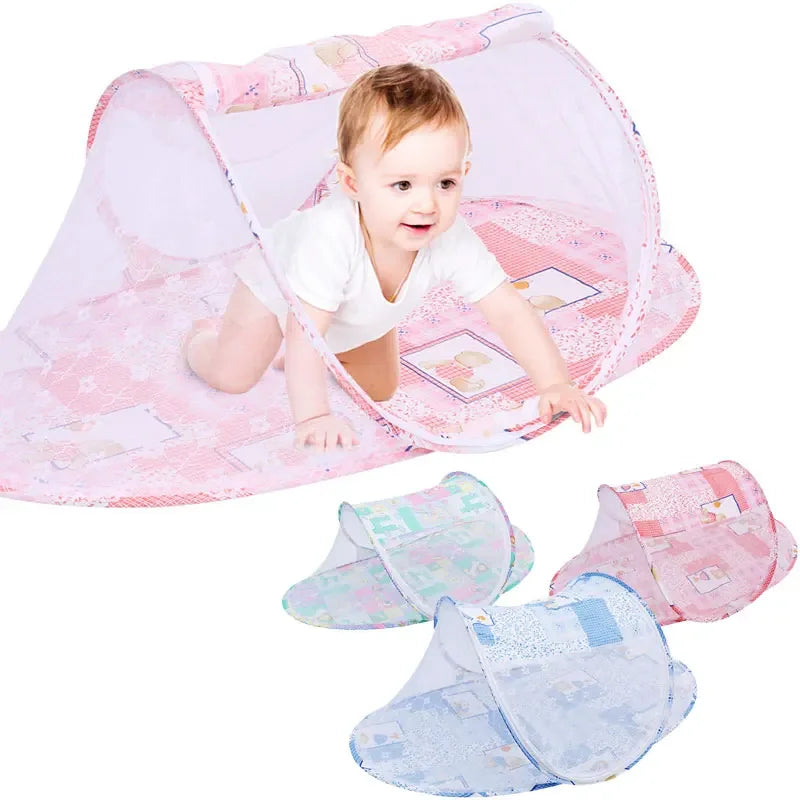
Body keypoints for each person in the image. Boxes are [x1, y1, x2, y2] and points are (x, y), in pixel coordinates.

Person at [185, 63, 606, 451]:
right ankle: (200, 339)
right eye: (403, 185)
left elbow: (509, 310)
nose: (427, 205)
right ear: (352, 183)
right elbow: (305, 332)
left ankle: (305, 355)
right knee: (232, 375)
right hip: (277, 296)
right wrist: (314, 417)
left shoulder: (449, 236)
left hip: (353, 311)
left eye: (445, 183)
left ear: (464, 173)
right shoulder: (328, 236)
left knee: (379, 389)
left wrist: (555, 384)